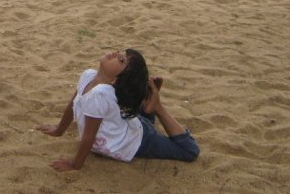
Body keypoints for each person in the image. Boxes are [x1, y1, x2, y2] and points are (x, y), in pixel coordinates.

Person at [36, 49, 199, 171]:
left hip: (137, 140)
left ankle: (156, 107)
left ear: (116, 80)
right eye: (120, 53)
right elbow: (73, 105)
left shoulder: (100, 95)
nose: (115, 54)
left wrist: (74, 165)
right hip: (124, 123)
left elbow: (89, 137)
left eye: (121, 60)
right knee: (135, 115)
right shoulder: (88, 75)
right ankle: (147, 105)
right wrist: (58, 130)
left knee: (190, 151)